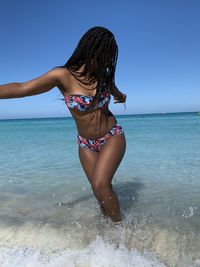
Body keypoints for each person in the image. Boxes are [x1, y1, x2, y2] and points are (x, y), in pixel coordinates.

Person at [0, 26, 127, 223]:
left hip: (112, 136)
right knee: (98, 190)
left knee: (101, 184)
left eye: (109, 58)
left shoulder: (103, 76)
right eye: (104, 56)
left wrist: (120, 96)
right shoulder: (62, 76)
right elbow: (23, 88)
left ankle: (122, 230)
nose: (107, 62)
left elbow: (114, 90)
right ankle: (108, 235)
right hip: (86, 144)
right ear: (90, 50)